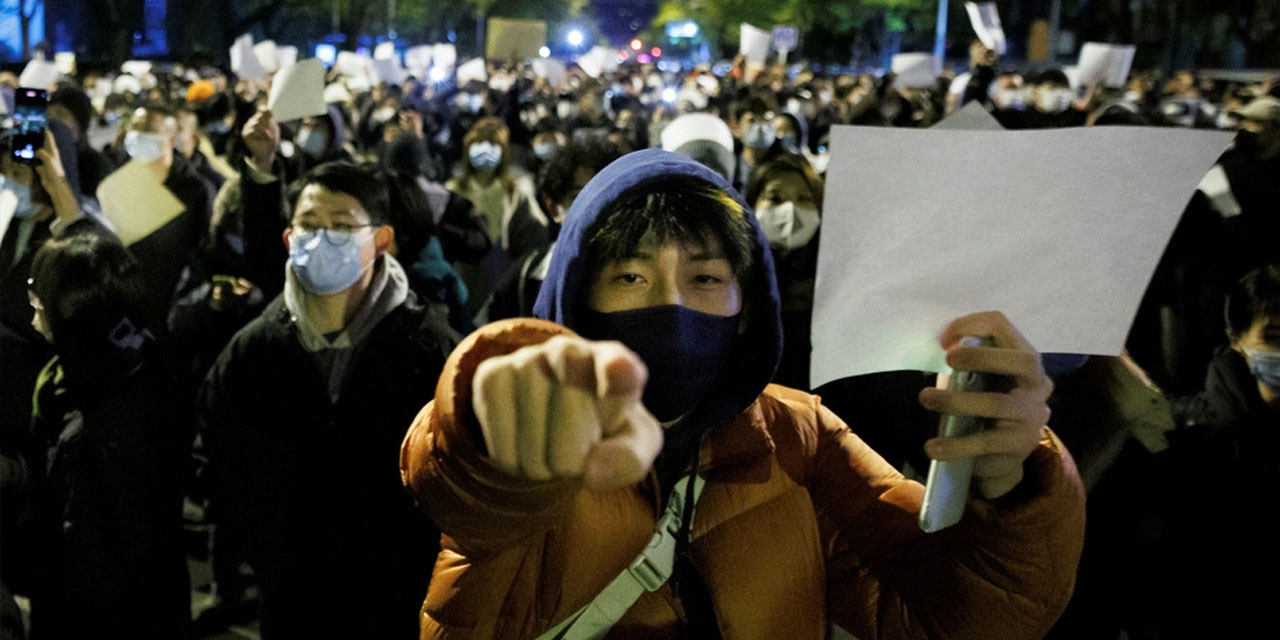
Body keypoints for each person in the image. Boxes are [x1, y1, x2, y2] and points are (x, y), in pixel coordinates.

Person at [401, 149, 1086, 638]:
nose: (670, 307)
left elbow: (955, 614)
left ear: (748, 305)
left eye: (704, 280)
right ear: (576, 296)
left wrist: (1008, 486)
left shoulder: (800, 439)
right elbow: (462, 481)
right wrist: (493, 422)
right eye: (632, 279)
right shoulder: (537, 444)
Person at [198, 162, 459, 638]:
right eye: (311, 225)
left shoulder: (431, 350)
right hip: (290, 595)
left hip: (397, 595)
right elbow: (217, 456)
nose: (322, 239)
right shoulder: (253, 349)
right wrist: (260, 546)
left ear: (380, 239)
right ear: (288, 237)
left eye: (341, 227)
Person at [21, 233, 191, 638]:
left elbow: (84, 559)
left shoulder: (90, 424)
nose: (32, 308)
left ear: (70, 309)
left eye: (37, 295)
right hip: (158, 596)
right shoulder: (142, 359)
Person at [745, 154, 824, 390]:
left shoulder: (837, 280)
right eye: (775, 198)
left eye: (804, 199)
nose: (791, 210)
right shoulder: (733, 275)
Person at [446, 116, 547, 259]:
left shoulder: (516, 191)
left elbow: (535, 232)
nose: (486, 150)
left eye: (493, 144)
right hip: (464, 268)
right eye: (479, 143)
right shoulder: (453, 189)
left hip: (503, 267)